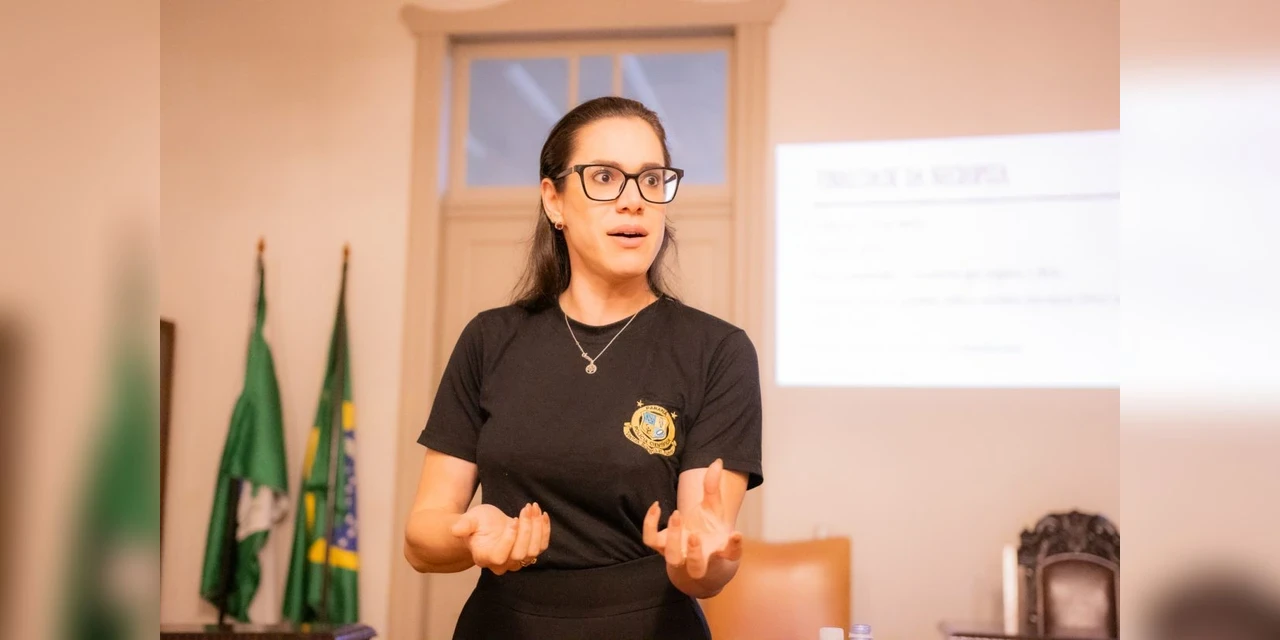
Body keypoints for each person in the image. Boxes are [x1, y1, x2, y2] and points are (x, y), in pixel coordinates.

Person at [403, 96, 764, 639]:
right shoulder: (490, 339)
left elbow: (704, 558)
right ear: (554, 201)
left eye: (650, 180)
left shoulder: (716, 350)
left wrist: (708, 555)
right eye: (604, 177)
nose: (633, 202)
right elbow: (421, 539)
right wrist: (468, 534)